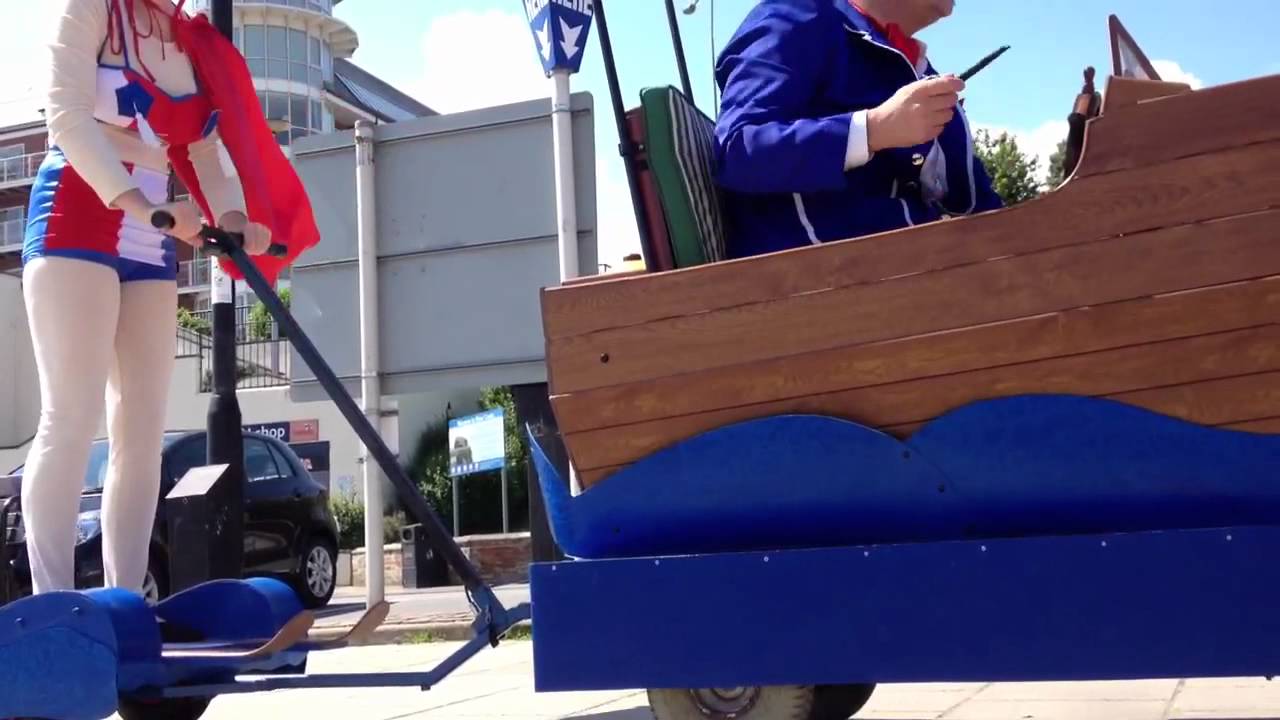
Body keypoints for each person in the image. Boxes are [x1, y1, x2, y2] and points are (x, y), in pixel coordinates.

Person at [21, 0, 315, 597]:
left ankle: (128, 601)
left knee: (141, 428)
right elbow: (67, 119)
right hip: (76, 218)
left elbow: (204, 153)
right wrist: (143, 206)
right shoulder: (90, 9)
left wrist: (233, 219)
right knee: (71, 417)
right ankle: (53, 604)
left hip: (152, 238)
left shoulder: (186, 40)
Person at [713, 0, 1003, 259]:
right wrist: (874, 129)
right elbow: (737, 151)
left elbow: (981, 208)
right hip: (819, 283)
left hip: (918, 270)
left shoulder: (919, 70)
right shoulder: (797, 16)